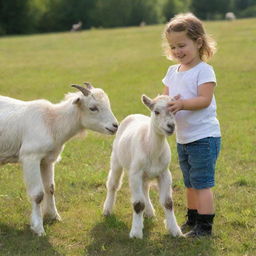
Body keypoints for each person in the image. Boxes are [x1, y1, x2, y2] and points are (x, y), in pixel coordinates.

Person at [161, 13, 221, 238]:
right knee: (189, 182)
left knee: (201, 183)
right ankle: (192, 218)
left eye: (182, 45)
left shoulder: (203, 70)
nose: (177, 51)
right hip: (183, 138)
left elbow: (204, 100)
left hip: (204, 138)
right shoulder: (171, 72)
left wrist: (183, 104)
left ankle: (204, 228)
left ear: (198, 42)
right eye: (173, 46)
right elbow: (166, 98)